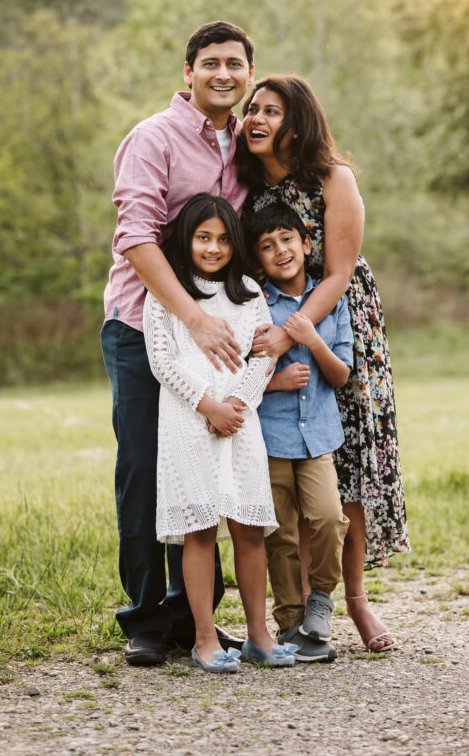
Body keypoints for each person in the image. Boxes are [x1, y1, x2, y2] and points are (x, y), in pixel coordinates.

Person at [238, 74, 411, 653]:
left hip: (338, 324)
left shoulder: (335, 178)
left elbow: (337, 274)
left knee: (351, 470)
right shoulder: (245, 185)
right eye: (251, 109)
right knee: (287, 482)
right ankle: (296, 613)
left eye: (271, 110)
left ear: (298, 121)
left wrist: (292, 337)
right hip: (269, 331)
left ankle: (355, 602)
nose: (256, 118)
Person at [101, 21, 255, 666]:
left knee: (208, 472)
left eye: (235, 64)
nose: (223, 73)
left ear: (249, 74)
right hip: (144, 330)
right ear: (188, 72)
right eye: (211, 62)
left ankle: (197, 620)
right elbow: (135, 237)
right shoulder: (153, 138)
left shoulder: (249, 149)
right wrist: (192, 317)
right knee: (144, 468)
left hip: (221, 339)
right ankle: (144, 618)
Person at [143, 194, 297, 672]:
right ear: (186, 241)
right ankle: (205, 639)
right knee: (200, 530)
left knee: (249, 528)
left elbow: (265, 355)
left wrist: (237, 404)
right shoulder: (167, 294)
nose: (213, 248)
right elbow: (162, 361)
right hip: (189, 423)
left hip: (240, 421)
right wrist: (207, 404)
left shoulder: (249, 292)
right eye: (203, 238)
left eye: (223, 239)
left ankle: (258, 636)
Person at [244, 202, 353, 662]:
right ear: (258, 259)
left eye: (288, 239)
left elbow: (341, 374)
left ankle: (322, 597)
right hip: (270, 438)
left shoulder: (330, 302)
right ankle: (289, 621)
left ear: (307, 243)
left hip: (318, 439)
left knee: (328, 518)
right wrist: (274, 382)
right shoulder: (255, 307)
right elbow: (240, 375)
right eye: (267, 246)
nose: (280, 250)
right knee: (281, 532)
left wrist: (312, 340)